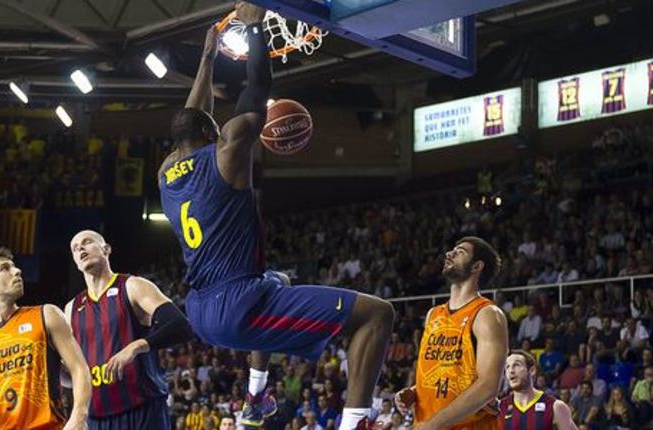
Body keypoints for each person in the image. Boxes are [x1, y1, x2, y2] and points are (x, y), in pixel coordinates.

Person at [158, 3, 394, 428]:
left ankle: (255, 397)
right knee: (377, 314)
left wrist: (208, 58)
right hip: (236, 305)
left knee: (278, 280)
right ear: (213, 131)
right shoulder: (228, 152)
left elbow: (192, 117)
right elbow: (257, 89)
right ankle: (355, 422)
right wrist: (254, 31)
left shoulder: (166, 175)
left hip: (200, 308)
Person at [0, 248, 91, 429]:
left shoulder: (46, 314)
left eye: (14, 267)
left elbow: (79, 369)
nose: (17, 271)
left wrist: (79, 417)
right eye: (5, 268)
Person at [64, 230, 193, 429]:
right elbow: (71, 376)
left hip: (142, 411)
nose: (80, 248)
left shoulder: (132, 286)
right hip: (96, 419)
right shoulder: (72, 308)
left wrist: (136, 346)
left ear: (106, 249)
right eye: (74, 248)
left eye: (87, 242)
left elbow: (181, 326)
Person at [395, 237, 508, 430]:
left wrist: (433, 424)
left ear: (477, 266)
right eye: (452, 250)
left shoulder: (487, 314)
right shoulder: (433, 314)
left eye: (460, 252)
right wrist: (416, 391)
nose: (449, 254)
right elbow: (449, 374)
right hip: (427, 423)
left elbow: (488, 386)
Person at [499, 350, 578, 429]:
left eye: (516, 365)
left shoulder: (555, 407)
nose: (511, 371)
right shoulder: (500, 408)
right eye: (507, 367)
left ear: (532, 370)